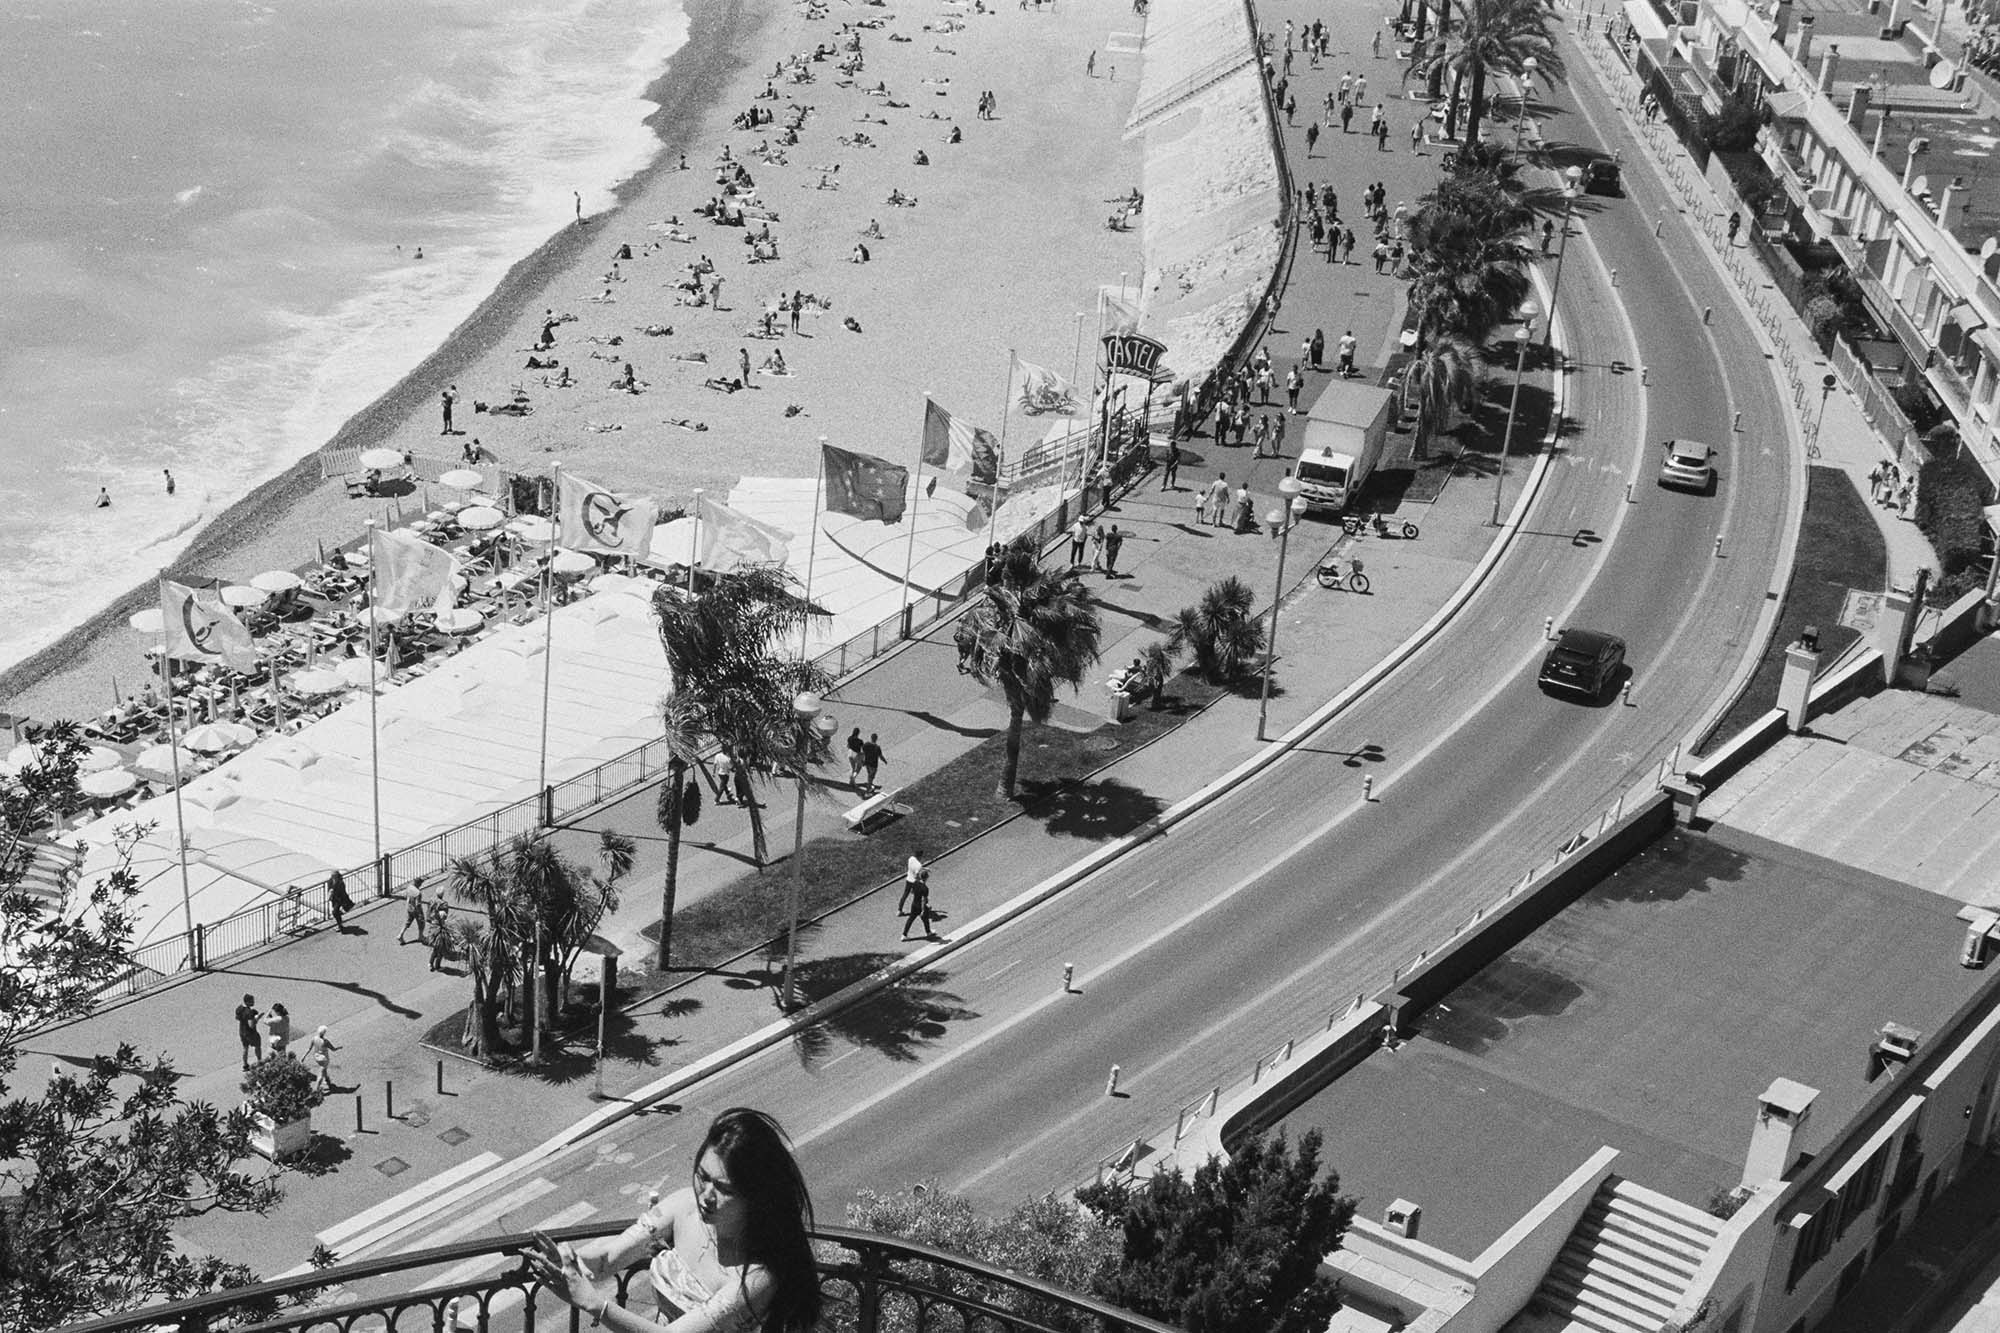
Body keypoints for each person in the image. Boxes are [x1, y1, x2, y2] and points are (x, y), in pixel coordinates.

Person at [537, 1107, 822, 1333]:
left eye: (724, 1189)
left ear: (755, 1196)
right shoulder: (684, 1204)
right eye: (702, 1177)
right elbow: (610, 1256)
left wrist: (593, 1303)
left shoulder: (757, 1276)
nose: (706, 1195)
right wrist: (570, 1260)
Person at [304, 1025, 338, 1092]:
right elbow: (333, 1049)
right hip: (324, 1059)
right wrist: (338, 1048)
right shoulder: (325, 1042)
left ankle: (328, 1081)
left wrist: (304, 1056)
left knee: (324, 1070)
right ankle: (315, 1090)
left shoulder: (314, 1039)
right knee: (320, 1076)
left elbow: (309, 1049)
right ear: (324, 1032)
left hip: (317, 1057)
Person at [236, 993, 263, 1069]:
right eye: (252, 1001)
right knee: (257, 1046)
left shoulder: (239, 1008)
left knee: (245, 1048)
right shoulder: (249, 1012)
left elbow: (238, 1018)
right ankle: (259, 1061)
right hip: (250, 1033)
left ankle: (245, 1064)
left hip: (242, 1031)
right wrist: (257, 1018)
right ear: (247, 1002)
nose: (254, 1002)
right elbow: (251, 1025)